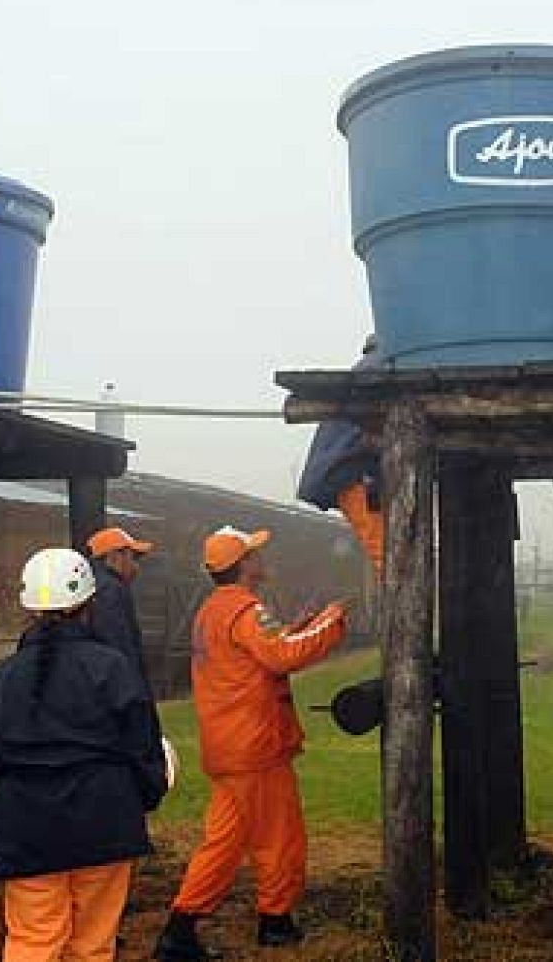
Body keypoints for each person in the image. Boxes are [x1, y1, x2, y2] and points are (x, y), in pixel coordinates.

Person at [153, 527, 349, 959]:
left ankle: (181, 928)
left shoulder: (213, 611)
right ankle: (274, 922)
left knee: (224, 840)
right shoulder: (245, 610)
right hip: (255, 747)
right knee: (279, 837)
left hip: (230, 746)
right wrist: (332, 623)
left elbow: (267, 649)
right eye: (256, 553)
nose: (263, 558)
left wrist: (306, 626)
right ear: (243, 566)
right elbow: (282, 655)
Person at [0, 548, 167, 962]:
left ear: (29, 609)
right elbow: (143, 746)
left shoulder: (3, 679)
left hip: (27, 828)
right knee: (93, 943)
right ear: (88, 604)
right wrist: (143, 799)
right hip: (105, 819)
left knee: (33, 940)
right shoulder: (112, 668)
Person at [297, 335, 384, 575]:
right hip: (354, 474)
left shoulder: (365, 370)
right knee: (389, 558)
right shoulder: (381, 367)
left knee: (389, 556)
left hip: (349, 472)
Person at [84, 526, 156, 688]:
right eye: (134, 557)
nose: (136, 565)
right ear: (115, 556)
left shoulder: (91, 586)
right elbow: (121, 650)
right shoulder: (111, 590)